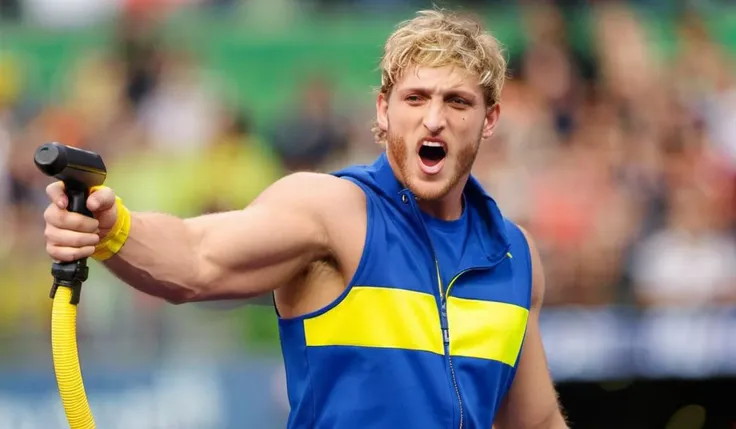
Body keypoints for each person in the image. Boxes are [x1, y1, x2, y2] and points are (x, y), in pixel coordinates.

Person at [42, 9, 569, 429]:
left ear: (490, 119)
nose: (434, 119)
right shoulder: (333, 210)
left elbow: (536, 420)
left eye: (457, 101)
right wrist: (112, 229)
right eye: (416, 98)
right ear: (383, 111)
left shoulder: (513, 256)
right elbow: (196, 257)